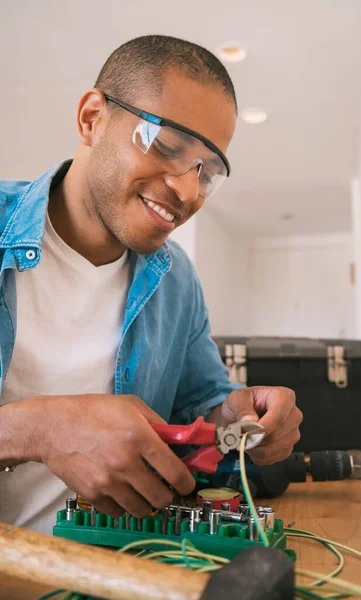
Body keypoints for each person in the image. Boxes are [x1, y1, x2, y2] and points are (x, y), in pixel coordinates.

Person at [0, 35, 302, 535]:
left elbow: (200, 405)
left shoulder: (176, 279)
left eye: (207, 171)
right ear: (92, 118)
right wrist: (38, 429)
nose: (187, 190)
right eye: (165, 144)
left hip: (120, 572)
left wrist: (237, 419)